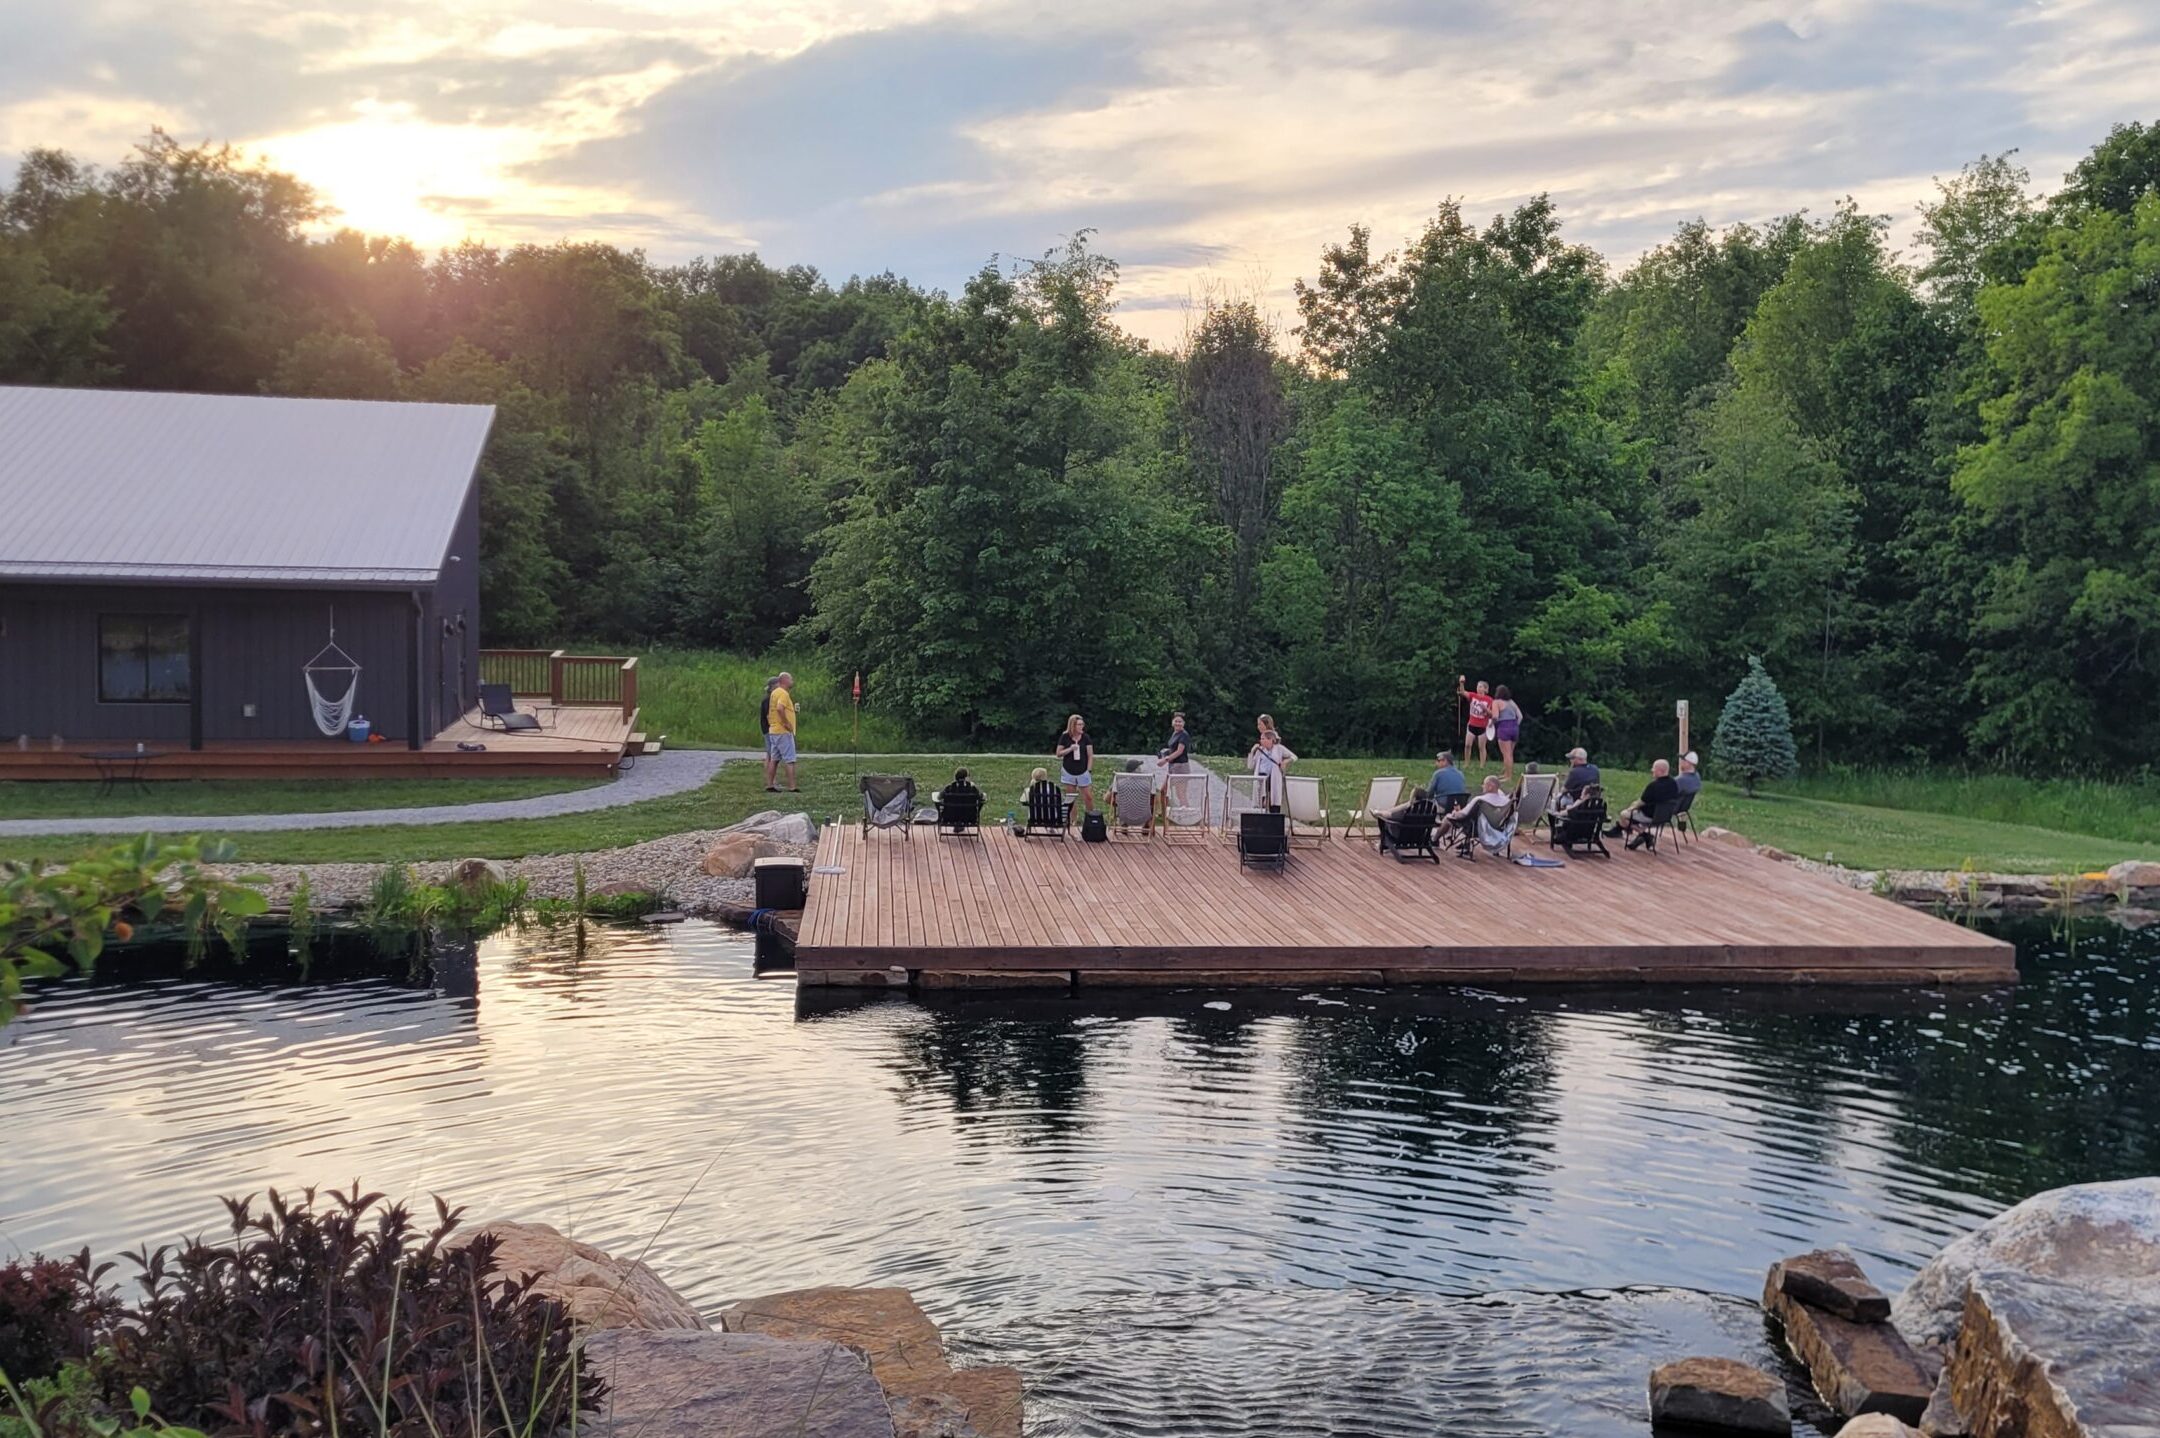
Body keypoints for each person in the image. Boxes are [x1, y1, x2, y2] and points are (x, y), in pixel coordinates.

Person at [1612, 759, 1680, 847]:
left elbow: (1641, 803)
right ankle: (1640, 835)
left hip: (1649, 816)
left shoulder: (1653, 786)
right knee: (1631, 812)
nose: (1652, 770)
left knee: (1623, 815)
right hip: (1665, 816)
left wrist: (1630, 808)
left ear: (1660, 770)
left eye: (1654, 768)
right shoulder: (1673, 783)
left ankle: (1644, 835)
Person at [1247, 716, 1297, 810]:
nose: (1258, 727)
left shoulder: (1277, 747)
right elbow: (1251, 765)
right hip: (1262, 776)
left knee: (1273, 799)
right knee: (1261, 800)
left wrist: (1285, 762)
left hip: (1272, 777)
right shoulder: (1260, 749)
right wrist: (1252, 752)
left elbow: (1292, 756)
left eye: (1260, 724)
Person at [763, 672, 798, 792]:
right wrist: (787, 723)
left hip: (773, 730)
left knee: (774, 759)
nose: (792, 681)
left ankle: (770, 784)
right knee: (790, 759)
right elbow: (779, 708)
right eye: (791, 679)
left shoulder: (774, 693)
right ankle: (792, 786)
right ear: (785, 681)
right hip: (783, 731)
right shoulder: (783, 693)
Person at [1054, 713, 1097, 812]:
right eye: (1079, 724)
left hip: (1083, 770)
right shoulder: (1065, 737)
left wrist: (1089, 770)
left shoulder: (1085, 737)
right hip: (1068, 770)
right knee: (1071, 798)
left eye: (1082, 724)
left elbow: (1090, 755)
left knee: (1088, 796)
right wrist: (1070, 749)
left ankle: (1090, 817)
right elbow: (1058, 753)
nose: (1082, 726)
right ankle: (1073, 820)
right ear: (1073, 725)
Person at [1458, 677, 1495, 767]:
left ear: (1485, 689)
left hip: (1482, 726)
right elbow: (1462, 692)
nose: (1478, 688)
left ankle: (1482, 765)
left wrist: (1485, 709)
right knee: (1467, 745)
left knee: (1481, 747)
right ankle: (1466, 763)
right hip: (1472, 724)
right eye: (1478, 686)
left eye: (1481, 686)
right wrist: (1461, 683)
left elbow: (1492, 714)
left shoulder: (1489, 700)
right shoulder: (1473, 695)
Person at [1490, 685, 1523, 783]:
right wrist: (1515, 725)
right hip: (1514, 727)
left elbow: (1495, 717)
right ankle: (1506, 773)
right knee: (1510, 753)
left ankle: (1508, 776)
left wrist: (1491, 724)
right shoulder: (1511, 702)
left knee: (1506, 754)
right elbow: (1520, 716)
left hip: (1504, 727)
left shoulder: (1496, 702)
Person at [1552, 746, 1600, 811]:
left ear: (1578, 759)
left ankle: (1557, 818)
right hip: (1591, 803)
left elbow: (1564, 790)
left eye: (1572, 758)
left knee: (1556, 799)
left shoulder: (1574, 772)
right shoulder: (1595, 769)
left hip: (1576, 803)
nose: (1570, 760)